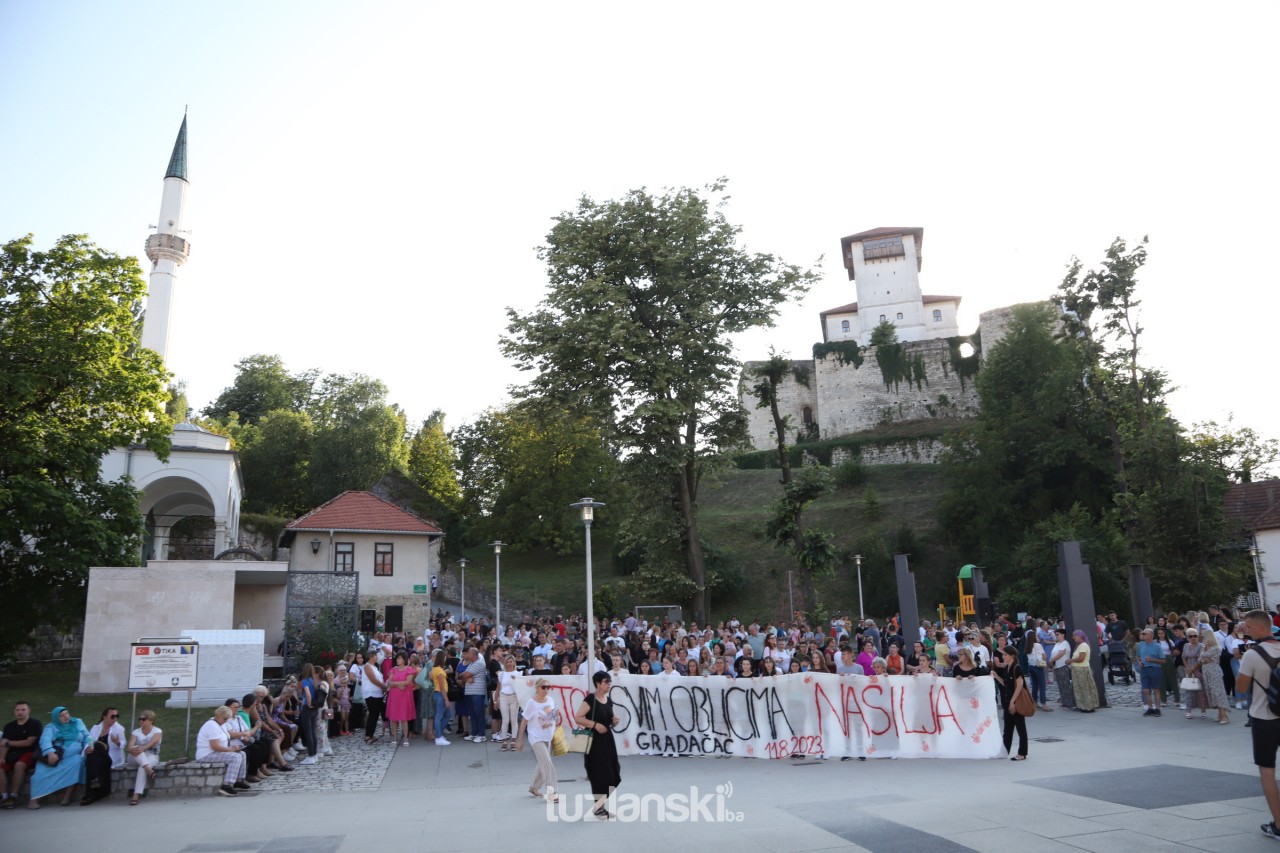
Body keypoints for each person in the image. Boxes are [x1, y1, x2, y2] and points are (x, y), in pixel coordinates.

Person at [1235, 609, 1280, 839]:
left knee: (1267, 772)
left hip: (1265, 718)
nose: (1246, 631)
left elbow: (1241, 689)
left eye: (1248, 627)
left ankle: (1279, 825)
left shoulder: (1253, 654)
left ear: (1261, 627)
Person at [575, 671, 621, 820]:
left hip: (607, 740)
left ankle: (599, 806)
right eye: (606, 681)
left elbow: (610, 721)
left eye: (609, 681)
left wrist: (614, 721)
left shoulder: (608, 700)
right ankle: (599, 807)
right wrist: (594, 724)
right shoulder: (590, 699)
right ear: (598, 684)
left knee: (614, 772)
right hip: (594, 741)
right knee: (599, 774)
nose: (609, 684)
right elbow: (578, 717)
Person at [27, 706, 91, 809]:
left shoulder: (78, 722)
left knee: (77, 761)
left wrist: (88, 746)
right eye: (61, 716)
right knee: (39, 775)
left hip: (73, 757)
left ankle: (67, 797)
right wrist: (50, 753)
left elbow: (87, 736)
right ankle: (34, 800)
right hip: (55, 757)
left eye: (66, 713)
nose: (65, 717)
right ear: (56, 718)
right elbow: (45, 740)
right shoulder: (51, 727)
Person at [516, 677, 559, 803]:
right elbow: (524, 722)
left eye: (548, 687)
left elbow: (552, 716)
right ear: (537, 688)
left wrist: (555, 716)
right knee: (547, 763)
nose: (546, 690)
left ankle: (534, 787)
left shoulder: (550, 700)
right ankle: (553, 792)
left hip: (549, 736)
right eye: (543, 687)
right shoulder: (531, 703)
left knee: (543, 763)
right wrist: (519, 740)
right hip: (536, 737)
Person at [196, 706, 248, 797]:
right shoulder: (211, 725)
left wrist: (233, 748)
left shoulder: (221, 724)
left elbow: (224, 741)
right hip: (206, 754)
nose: (226, 721)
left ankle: (239, 780)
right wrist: (230, 750)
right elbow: (215, 746)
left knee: (242, 754)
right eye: (225, 718)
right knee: (235, 757)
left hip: (216, 752)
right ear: (218, 716)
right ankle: (227, 784)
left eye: (227, 719)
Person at [0, 701, 42, 809]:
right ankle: (3, 796)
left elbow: (29, 742)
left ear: (29, 710)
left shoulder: (35, 724)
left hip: (29, 753)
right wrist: (2, 757)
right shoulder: (9, 726)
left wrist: (9, 743)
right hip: (11, 754)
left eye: (23, 710)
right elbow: (3, 743)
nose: (20, 712)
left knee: (19, 765)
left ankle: (13, 797)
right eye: (17, 710)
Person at [996, 646, 1029, 760]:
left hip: (1015, 703)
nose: (1003, 656)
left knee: (1020, 728)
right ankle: (1005, 751)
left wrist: (1012, 702)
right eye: (1003, 654)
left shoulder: (1016, 668)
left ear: (1012, 656)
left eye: (1005, 655)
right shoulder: (1007, 668)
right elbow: (1006, 684)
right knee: (1007, 729)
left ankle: (1022, 753)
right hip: (1007, 703)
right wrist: (996, 676)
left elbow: (1019, 686)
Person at [125, 710, 162, 805]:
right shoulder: (136, 732)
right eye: (140, 719)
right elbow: (129, 747)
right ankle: (148, 769)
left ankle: (136, 795)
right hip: (134, 757)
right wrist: (134, 750)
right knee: (137, 749)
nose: (141, 721)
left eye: (144, 719)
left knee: (142, 767)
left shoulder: (157, 731)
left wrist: (143, 748)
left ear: (151, 721)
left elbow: (153, 742)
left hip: (151, 756)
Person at [1200, 630, 1232, 725]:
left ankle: (1224, 715)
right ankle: (1219, 714)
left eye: (1204, 637)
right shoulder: (1205, 648)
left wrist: (1204, 655)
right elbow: (1200, 659)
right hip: (1206, 671)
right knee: (1212, 693)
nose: (1203, 639)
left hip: (1214, 671)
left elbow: (1204, 655)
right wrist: (1203, 659)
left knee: (1218, 692)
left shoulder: (1216, 647)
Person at [386, 652, 416, 747]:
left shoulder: (409, 669)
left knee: (404, 718)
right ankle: (394, 737)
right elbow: (390, 682)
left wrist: (395, 683)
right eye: (397, 658)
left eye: (399, 658)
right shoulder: (393, 670)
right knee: (394, 718)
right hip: (394, 696)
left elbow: (407, 682)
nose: (397, 660)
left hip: (404, 696)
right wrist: (399, 684)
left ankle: (406, 738)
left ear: (404, 659)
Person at [460, 647, 489, 743]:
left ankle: (481, 735)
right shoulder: (471, 664)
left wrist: (465, 677)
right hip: (470, 692)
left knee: (479, 713)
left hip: (477, 693)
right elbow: (462, 675)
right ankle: (474, 733)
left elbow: (464, 675)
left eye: (468, 653)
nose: (467, 655)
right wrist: (465, 677)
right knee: (472, 714)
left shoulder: (479, 663)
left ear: (474, 655)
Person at [1135, 627, 1166, 717]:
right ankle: (1150, 708)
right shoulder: (1140, 645)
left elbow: (1163, 660)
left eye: (1145, 634)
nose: (1143, 635)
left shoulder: (1157, 646)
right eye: (1142, 633)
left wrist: (1152, 660)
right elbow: (1138, 656)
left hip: (1155, 669)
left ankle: (1158, 709)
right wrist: (1139, 662)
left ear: (1151, 636)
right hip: (1144, 669)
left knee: (1156, 689)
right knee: (1146, 690)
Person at [362, 648, 388, 744]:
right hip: (371, 693)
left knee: (376, 714)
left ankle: (371, 734)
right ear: (371, 656)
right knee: (372, 714)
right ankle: (368, 735)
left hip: (378, 693)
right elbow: (372, 679)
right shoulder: (367, 666)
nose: (377, 657)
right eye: (376, 655)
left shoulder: (375, 667)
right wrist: (384, 686)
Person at [1070, 630, 1098, 712]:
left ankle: (1087, 706)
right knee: (1080, 688)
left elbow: (1081, 659)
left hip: (1081, 669)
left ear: (1080, 636)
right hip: (1078, 669)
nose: (1073, 638)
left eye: (1075, 636)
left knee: (1084, 688)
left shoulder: (1083, 645)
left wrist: (1070, 660)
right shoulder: (1079, 646)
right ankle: (1084, 705)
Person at [497, 655, 521, 750]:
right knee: (505, 720)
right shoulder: (501, 674)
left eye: (511, 661)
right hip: (503, 696)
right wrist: (495, 701)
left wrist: (516, 680)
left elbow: (521, 687)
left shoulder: (518, 674)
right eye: (508, 662)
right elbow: (498, 688)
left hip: (514, 697)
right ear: (505, 663)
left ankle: (513, 741)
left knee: (514, 720)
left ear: (514, 663)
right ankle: (504, 741)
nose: (509, 663)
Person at [1183, 629, 1208, 720]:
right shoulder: (1186, 645)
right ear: (1187, 637)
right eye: (1191, 636)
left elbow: (1201, 659)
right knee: (1188, 691)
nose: (1193, 638)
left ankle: (1203, 710)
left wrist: (1193, 668)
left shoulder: (1201, 646)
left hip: (1198, 670)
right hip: (1189, 670)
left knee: (1201, 691)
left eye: (1195, 636)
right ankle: (1188, 711)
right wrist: (1187, 667)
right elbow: (1184, 657)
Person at [1023, 632, 1051, 712]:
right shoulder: (1037, 645)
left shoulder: (1027, 646)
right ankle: (1044, 703)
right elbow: (1044, 655)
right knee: (1042, 685)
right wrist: (1046, 660)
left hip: (1031, 666)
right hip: (1038, 666)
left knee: (1035, 685)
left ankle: (1034, 702)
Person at [1050, 628, 1075, 710]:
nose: (1056, 636)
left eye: (1058, 634)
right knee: (1061, 685)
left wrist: (1052, 660)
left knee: (1066, 684)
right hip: (1057, 666)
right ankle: (1064, 701)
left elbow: (1061, 653)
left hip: (1063, 666)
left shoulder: (1065, 643)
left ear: (1063, 634)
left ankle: (1070, 702)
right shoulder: (1057, 644)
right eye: (1056, 635)